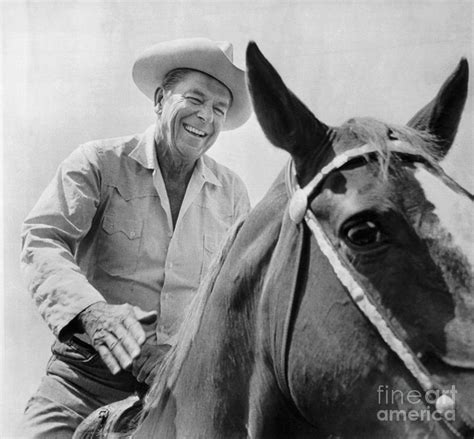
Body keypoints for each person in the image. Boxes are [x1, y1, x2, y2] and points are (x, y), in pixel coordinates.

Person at [20, 37, 252, 438]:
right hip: (82, 379)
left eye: (219, 108)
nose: (206, 117)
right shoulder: (99, 162)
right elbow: (43, 239)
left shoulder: (232, 195)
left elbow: (239, 299)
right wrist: (93, 314)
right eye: (194, 99)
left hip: (177, 393)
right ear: (161, 99)